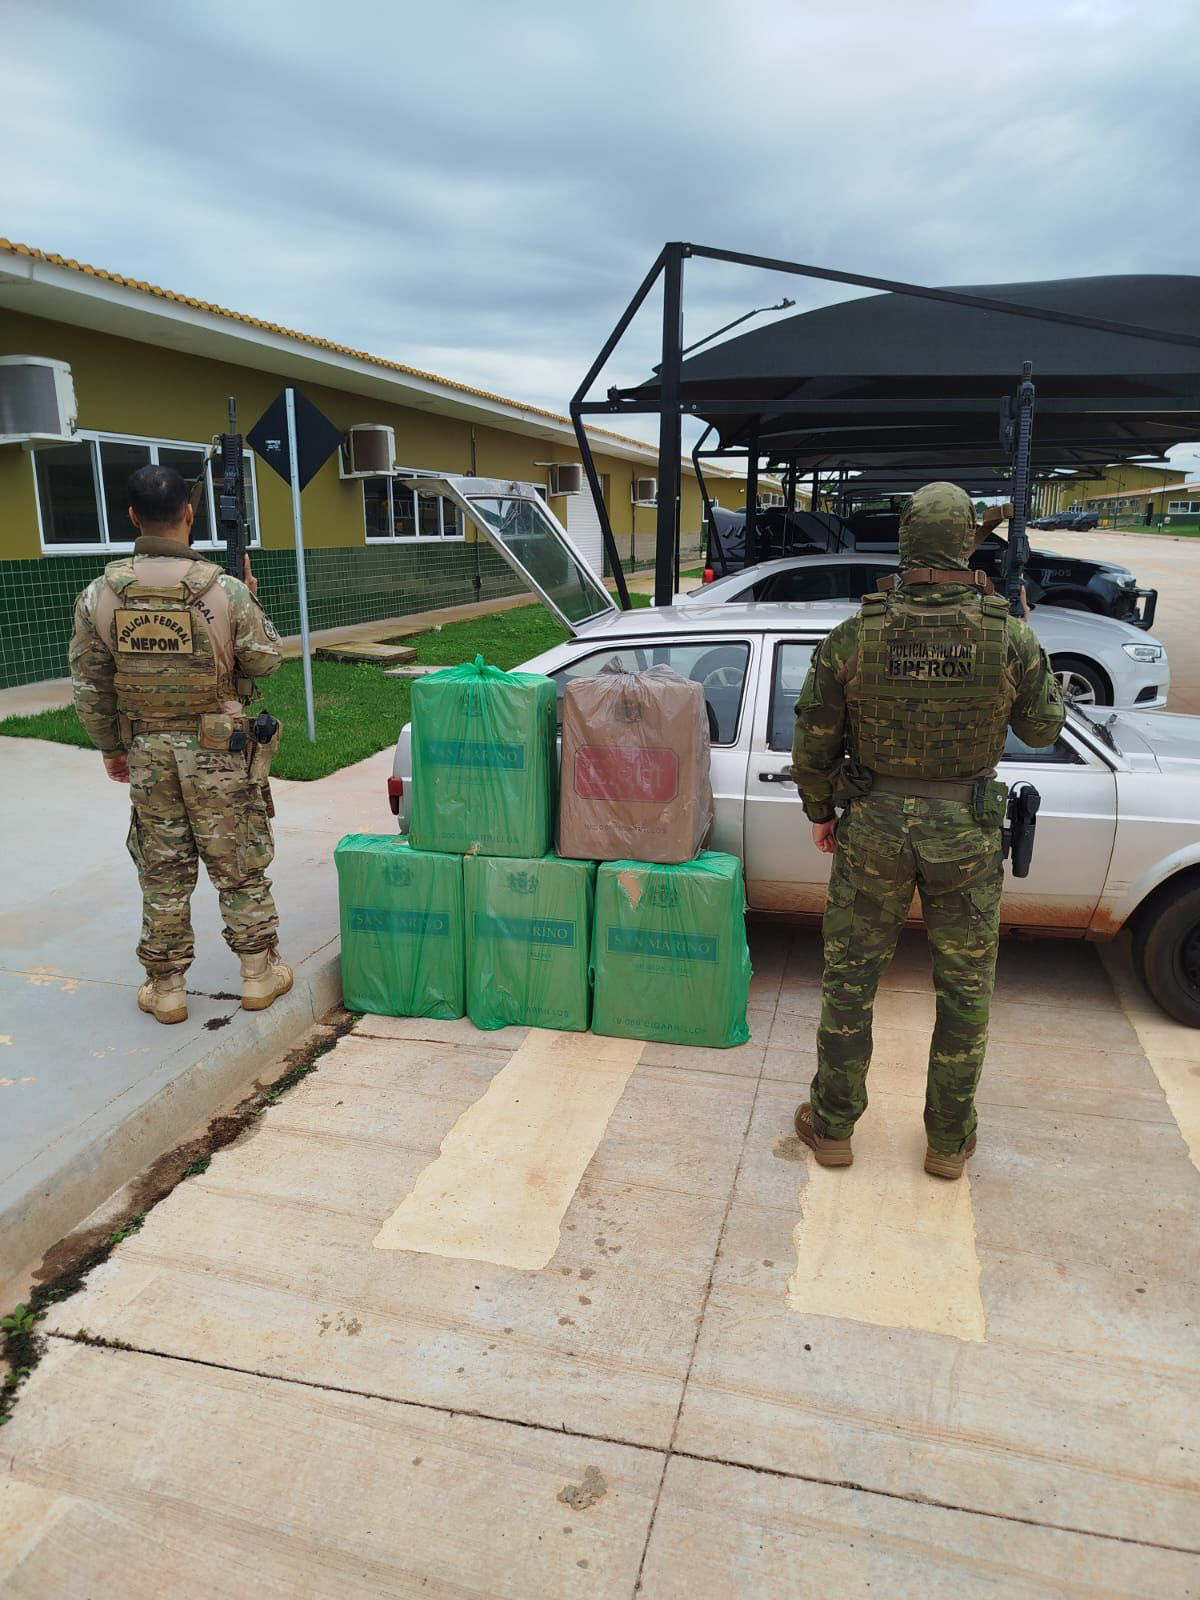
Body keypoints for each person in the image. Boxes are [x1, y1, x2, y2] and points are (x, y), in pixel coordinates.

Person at [790, 481, 1065, 1179]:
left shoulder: (857, 634)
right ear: (967, 543)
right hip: (965, 834)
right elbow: (1041, 727)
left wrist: (822, 813)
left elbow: (813, 740)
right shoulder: (1007, 636)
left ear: (909, 542)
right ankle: (947, 1142)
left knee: (850, 980)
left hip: (874, 826)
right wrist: (1032, 644)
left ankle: (832, 1128)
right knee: (965, 991)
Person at [69, 464, 291, 1025]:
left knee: (163, 870)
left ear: (132, 517)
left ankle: (166, 989)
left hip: (147, 751)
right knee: (238, 862)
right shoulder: (227, 591)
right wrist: (252, 602)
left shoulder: (99, 595)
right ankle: (259, 975)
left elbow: (90, 683)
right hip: (220, 750)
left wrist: (110, 748)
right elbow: (265, 660)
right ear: (189, 516)